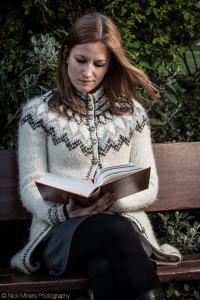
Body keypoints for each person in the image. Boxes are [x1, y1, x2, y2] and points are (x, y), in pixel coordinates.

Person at [11, 12, 181, 300]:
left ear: (109, 65)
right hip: (61, 232)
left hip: (121, 232)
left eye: (98, 64)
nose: (88, 72)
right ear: (66, 54)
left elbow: (148, 186)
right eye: (81, 60)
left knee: (102, 266)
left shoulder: (132, 114)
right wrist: (64, 211)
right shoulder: (38, 114)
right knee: (114, 231)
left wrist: (106, 202)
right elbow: (31, 186)